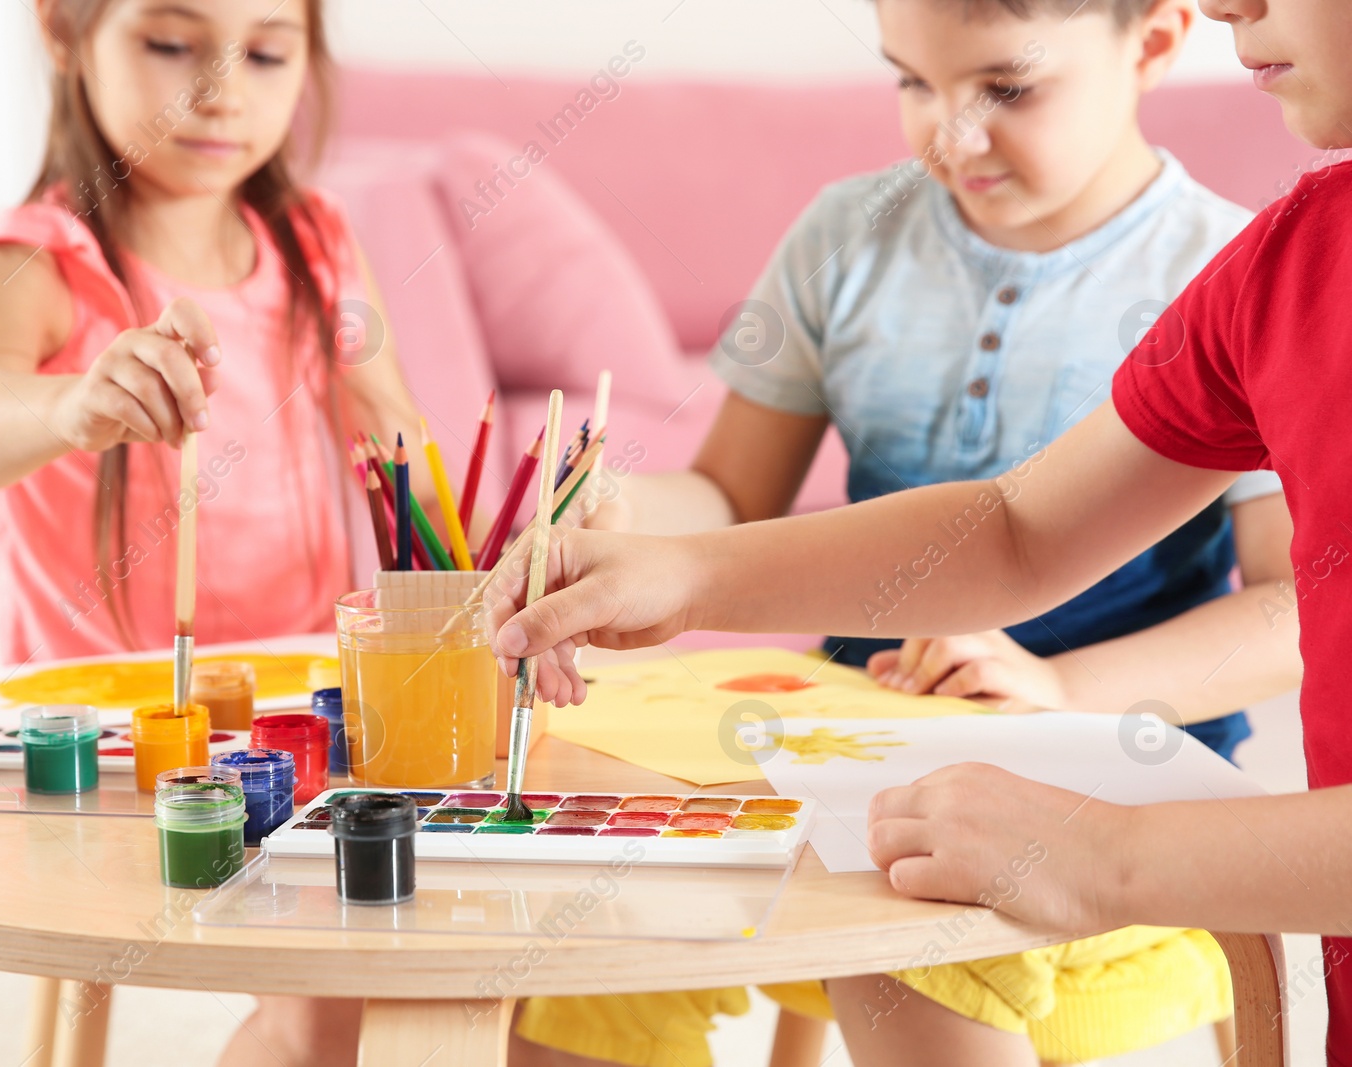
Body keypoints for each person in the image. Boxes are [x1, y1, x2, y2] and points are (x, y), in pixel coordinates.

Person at [491, 0, 1352, 1061]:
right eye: (911, 80)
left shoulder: (1221, 252)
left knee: (917, 930)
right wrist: (671, 563)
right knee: (605, 897)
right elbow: (1013, 534)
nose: (949, 133)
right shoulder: (1285, 265)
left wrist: (1089, 773)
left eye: (1008, 87)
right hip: (870, 736)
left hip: (1096, 769)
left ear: (1151, 46)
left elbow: (1279, 605)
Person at [0, 1, 410, 1061]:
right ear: (62, 31)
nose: (221, 88)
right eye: (171, 42)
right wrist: (65, 410)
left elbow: (394, 436)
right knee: (328, 1005)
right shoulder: (30, 261)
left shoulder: (315, 240)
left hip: (296, 720)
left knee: (371, 981)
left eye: (268, 52)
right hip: (110, 746)